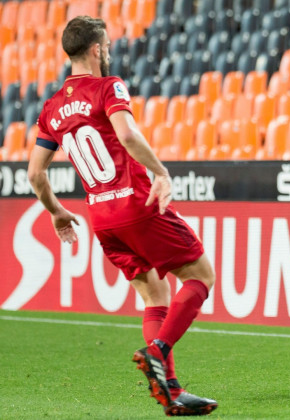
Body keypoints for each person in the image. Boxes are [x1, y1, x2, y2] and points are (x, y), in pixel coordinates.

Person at [27, 16, 217, 416]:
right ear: (97, 49)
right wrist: (162, 172)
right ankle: (158, 350)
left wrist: (58, 212)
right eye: (107, 45)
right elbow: (127, 135)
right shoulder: (107, 87)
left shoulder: (52, 108)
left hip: (102, 218)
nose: (109, 51)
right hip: (136, 205)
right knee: (200, 276)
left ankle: (171, 393)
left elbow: (35, 173)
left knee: (155, 294)